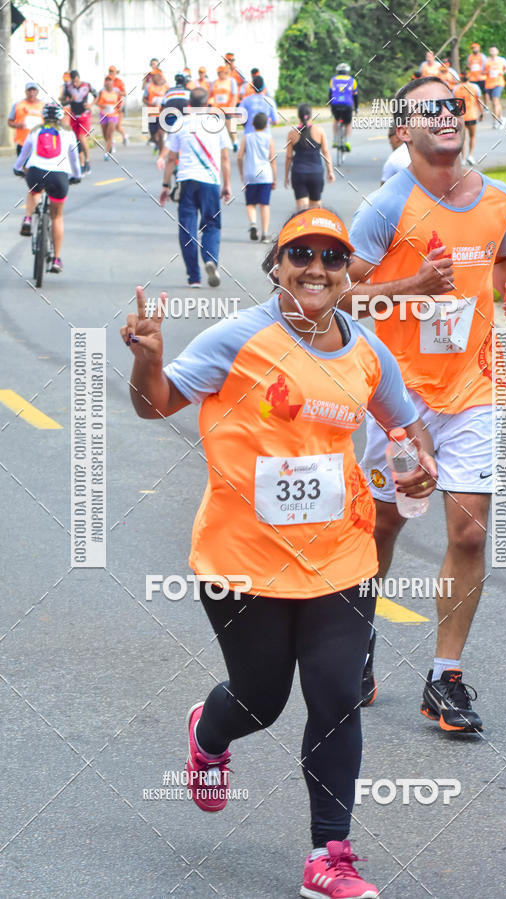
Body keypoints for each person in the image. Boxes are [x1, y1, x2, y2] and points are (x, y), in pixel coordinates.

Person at [120, 206, 436, 899]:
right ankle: (211, 732)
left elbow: (405, 420)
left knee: (334, 697)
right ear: (277, 266)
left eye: (331, 256)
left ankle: (330, 855)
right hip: (243, 558)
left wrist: (418, 462)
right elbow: (158, 403)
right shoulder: (239, 337)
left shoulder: (366, 350)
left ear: (349, 269)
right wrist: (148, 361)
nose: (316, 269)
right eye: (301, 255)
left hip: (341, 557)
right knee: (261, 700)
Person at [343, 76, 506, 727]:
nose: (445, 115)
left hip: (475, 389)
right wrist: (411, 284)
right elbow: (337, 297)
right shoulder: (386, 208)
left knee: (469, 526)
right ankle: (357, 641)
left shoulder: (499, 199)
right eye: (428, 109)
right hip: (398, 400)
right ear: (404, 131)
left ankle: (444, 677)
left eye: (452, 105)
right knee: (387, 522)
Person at [159, 88, 232, 287]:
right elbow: (225, 157)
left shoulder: (179, 123)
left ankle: (194, 277)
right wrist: (226, 185)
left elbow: (172, 158)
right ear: (208, 104)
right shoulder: (217, 123)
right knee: (212, 225)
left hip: (186, 182)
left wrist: (166, 185)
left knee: (187, 229)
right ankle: (210, 259)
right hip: (210, 183)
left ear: (189, 105)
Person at [14, 101, 81, 273]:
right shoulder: (68, 133)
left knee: (34, 191)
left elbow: (24, 153)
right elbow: (74, 159)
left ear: (44, 116)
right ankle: (56, 260)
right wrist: (76, 176)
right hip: (59, 177)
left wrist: (17, 168)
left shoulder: (35, 130)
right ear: (60, 117)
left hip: (36, 172)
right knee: (57, 216)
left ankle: (28, 218)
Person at [285, 104, 334, 211]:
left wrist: (286, 176)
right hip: (316, 174)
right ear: (311, 116)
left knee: (302, 211)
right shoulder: (319, 131)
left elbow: (289, 157)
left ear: (298, 116)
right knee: (315, 210)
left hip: (299, 174)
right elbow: (325, 152)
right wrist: (330, 171)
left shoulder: (292, 134)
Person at [237, 112, 276, 242]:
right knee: (264, 204)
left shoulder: (246, 137)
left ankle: (253, 223)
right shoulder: (269, 138)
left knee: (250, 203)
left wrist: (242, 173)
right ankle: (265, 234)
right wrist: (275, 178)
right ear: (266, 125)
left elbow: (239, 156)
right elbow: (272, 159)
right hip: (265, 174)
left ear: (252, 124)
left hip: (250, 174)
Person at [61, 70, 96, 174]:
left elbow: (96, 95)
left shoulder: (87, 85)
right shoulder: (68, 87)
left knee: (82, 137)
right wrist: (70, 99)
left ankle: (88, 160)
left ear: (79, 78)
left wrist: (91, 105)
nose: (75, 84)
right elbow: (63, 101)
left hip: (84, 114)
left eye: (76, 81)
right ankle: (81, 165)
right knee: (77, 140)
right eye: (73, 82)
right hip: (73, 115)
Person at [454, 71, 484, 165]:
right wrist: (482, 112)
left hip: (461, 115)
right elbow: (479, 101)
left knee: (463, 137)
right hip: (472, 115)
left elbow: (453, 102)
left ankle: (463, 158)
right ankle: (470, 155)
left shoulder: (456, 88)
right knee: (472, 136)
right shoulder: (475, 87)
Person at [7, 82, 43, 156]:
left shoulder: (44, 105)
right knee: (23, 166)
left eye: (34, 90)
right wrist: (17, 125)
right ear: (25, 92)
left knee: (36, 167)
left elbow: (49, 123)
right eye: (29, 90)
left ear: (37, 92)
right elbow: (10, 122)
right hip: (22, 143)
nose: (31, 93)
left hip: (39, 143)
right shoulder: (18, 104)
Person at [329, 63, 358, 151]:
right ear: (347, 72)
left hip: (335, 104)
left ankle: (335, 140)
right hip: (347, 105)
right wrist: (356, 108)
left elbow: (330, 94)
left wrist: (331, 107)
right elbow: (355, 96)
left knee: (336, 119)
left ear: (337, 71)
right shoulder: (352, 80)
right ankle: (346, 141)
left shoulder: (333, 80)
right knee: (348, 123)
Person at [209, 65, 238, 149]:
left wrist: (232, 107)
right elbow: (210, 95)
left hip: (227, 108)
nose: (220, 74)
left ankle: (235, 142)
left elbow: (234, 95)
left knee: (230, 128)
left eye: (221, 72)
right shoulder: (214, 82)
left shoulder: (231, 81)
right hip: (217, 109)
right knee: (217, 129)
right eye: (218, 73)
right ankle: (219, 145)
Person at [95, 75, 121, 160]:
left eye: (110, 81)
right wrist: (104, 105)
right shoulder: (102, 92)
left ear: (113, 83)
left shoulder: (116, 92)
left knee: (110, 134)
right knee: (105, 134)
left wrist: (119, 107)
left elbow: (120, 102)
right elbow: (97, 103)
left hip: (113, 115)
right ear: (105, 83)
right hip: (104, 114)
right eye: (107, 81)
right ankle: (111, 145)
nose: (109, 82)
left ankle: (107, 153)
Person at [484, 46, 506, 127]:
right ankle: (501, 117)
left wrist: (503, 71)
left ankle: (495, 122)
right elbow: (482, 71)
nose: (492, 51)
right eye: (491, 50)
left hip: (499, 83)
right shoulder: (486, 61)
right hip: (489, 84)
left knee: (495, 101)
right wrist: (487, 71)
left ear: (497, 51)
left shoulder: (501, 60)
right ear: (489, 52)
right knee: (495, 103)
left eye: (494, 50)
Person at [143, 71, 167, 152]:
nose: (152, 77)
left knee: (160, 134)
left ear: (160, 76)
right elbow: (143, 99)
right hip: (152, 113)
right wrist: (151, 104)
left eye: (154, 75)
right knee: (153, 136)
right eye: (152, 76)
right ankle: (158, 145)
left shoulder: (166, 87)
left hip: (163, 114)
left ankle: (161, 153)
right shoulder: (148, 87)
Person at [108, 65, 129, 145]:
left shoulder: (119, 81)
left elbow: (124, 93)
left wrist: (117, 92)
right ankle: (111, 140)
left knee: (117, 126)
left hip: (119, 106)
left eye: (112, 71)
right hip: (110, 107)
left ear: (115, 72)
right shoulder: (107, 81)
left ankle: (125, 136)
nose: (111, 73)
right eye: (109, 71)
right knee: (110, 125)